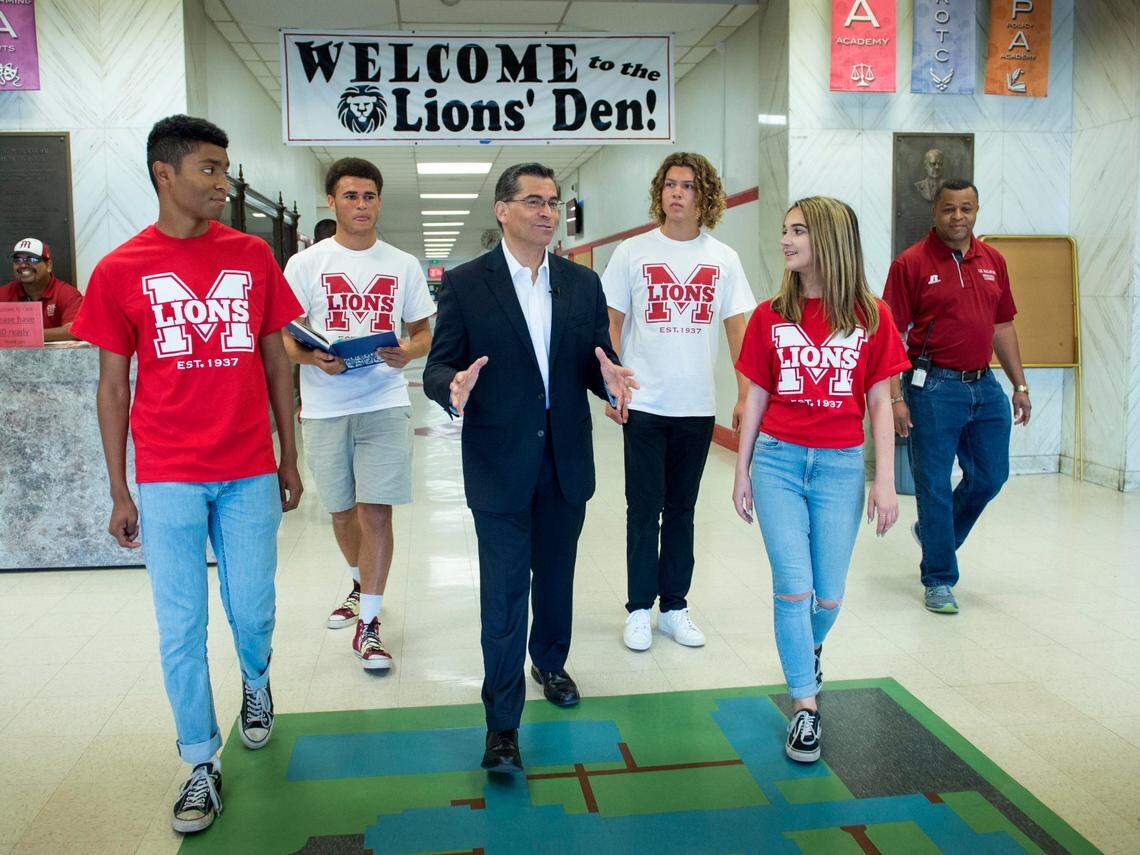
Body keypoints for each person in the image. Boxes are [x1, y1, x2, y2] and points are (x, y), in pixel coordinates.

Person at [71, 115, 304, 834]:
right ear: (164, 174)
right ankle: (201, 760)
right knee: (180, 622)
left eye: (225, 168)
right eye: (209, 168)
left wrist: (287, 456)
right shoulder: (118, 269)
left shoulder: (253, 256)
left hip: (246, 468)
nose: (222, 182)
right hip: (168, 471)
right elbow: (113, 387)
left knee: (253, 605)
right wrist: (119, 488)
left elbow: (276, 362)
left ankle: (256, 683)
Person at [423, 163, 636, 775]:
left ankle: (550, 660)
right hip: (498, 463)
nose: (548, 211)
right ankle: (502, 724)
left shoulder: (579, 283)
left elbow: (596, 357)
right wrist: (451, 386)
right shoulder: (466, 284)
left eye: (554, 201)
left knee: (558, 575)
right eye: (535, 201)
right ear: (503, 210)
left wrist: (611, 379)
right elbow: (441, 366)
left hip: (565, 459)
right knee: (505, 590)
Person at [732, 196, 909, 764]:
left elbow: (879, 404)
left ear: (829, 240)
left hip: (838, 465)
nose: (786, 240)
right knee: (793, 586)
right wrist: (742, 469)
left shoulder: (872, 316)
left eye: (798, 231)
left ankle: (803, 652)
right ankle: (804, 709)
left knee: (828, 596)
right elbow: (755, 397)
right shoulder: (768, 315)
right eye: (785, 230)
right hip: (779, 461)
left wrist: (883, 480)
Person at [601, 152, 756, 652]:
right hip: (645, 403)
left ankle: (675, 607)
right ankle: (638, 610)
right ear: (659, 192)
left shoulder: (723, 258)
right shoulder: (632, 252)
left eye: (687, 186)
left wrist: (746, 396)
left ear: (703, 195)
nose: (676, 193)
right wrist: (613, 385)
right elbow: (612, 323)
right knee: (643, 510)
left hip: (696, 405)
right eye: (669, 184)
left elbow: (739, 332)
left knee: (683, 510)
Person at [282, 157, 434, 670]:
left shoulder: (403, 264)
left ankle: (369, 623)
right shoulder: (306, 265)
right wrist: (311, 357)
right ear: (332, 201)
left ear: (379, 201)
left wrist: (407, 352)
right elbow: (286, 338)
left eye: (369, 196)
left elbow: (422, 333)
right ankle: (357, 581)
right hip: (325, 407)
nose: (361, 205)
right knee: (342, 511)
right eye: (350, 196)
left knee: (376, 510)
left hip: (384, 402)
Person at [883, 179, 1030, 615]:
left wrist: (1018, 385)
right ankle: (939, 578)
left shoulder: (993, 261)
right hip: (933, 388)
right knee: (933, 485)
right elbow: (891, 334)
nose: (957, 217)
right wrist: (895, 397)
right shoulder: (910, 263)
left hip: (984, 386)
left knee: (990, 476)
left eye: (966, 209)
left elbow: (1003, 325)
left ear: (977, 211)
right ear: (935, 212)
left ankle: (935, 534)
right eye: (949, 209)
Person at [0, 238, 83, 341]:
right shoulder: (3, 293)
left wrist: (25, 335)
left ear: (48, 265)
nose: (23, 265)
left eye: (32, 260)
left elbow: (75, 330)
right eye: (18, 260)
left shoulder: (67, 294)